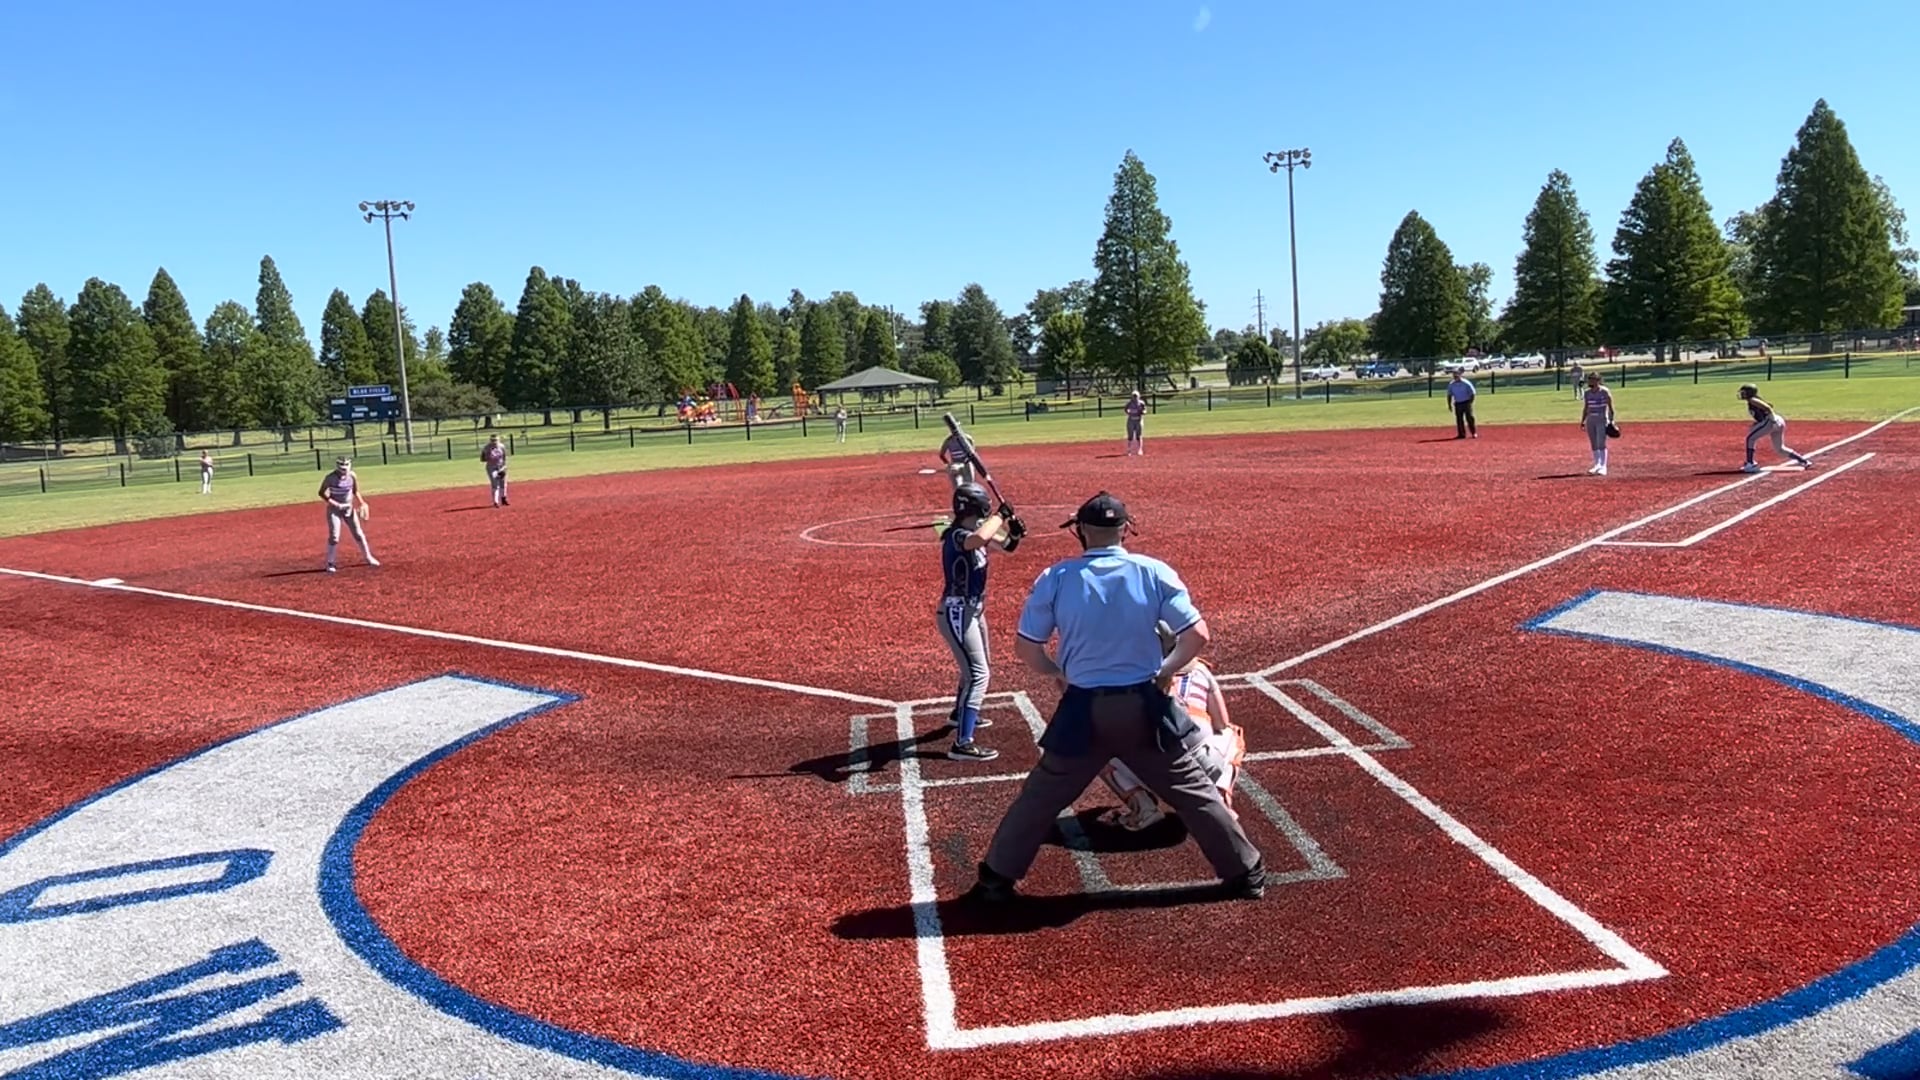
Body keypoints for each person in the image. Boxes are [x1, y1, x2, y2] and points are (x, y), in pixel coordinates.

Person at [963, 491, 1265, 903]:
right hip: (1144, 706)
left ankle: (995, 880)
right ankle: (1246, 873)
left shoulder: (1056, 577)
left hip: (1083, 709)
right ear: (1125, 529)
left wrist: (1057, 672)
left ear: (1081, 531)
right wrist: (1165, 670)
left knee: (1041, 797)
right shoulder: (1153, 571)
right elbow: (1197, 635)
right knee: (1193, 791)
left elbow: (1027, 648)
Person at [1099, 620, 1244, 831]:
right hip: (1202, 770)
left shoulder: (1128, 679)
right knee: (1233, 734)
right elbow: (1221, 722)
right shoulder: (1200, 670)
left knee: (1099, 747)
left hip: (1154, 776)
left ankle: (1142, 807)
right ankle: (1221, 800)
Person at [936, 483, 1024, 761]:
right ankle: (963, 743)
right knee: (979, 674)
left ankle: (958, 714)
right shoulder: (958, 535)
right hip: (957, 611)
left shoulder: (978, 531)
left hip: (973, 611)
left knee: (976, 665)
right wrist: (1001, 515)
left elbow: (1007, 547)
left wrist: (1014, 533)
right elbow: (977, 539)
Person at [318, 457, 378, 574]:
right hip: (334, 509)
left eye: (346, 466)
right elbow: (321, 492)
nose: (344, 469)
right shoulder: (330, 478)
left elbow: (355, 491)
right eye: (342, 466)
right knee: (334, 536)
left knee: (358, 534)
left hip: (348, 509)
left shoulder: (352, 476)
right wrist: (335, 504)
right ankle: (330, 562)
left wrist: (362, 502)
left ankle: (368, 557)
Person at [1737, 384, 1814, 472]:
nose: (1742, 394)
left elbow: (1768, 408)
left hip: (1771, 421)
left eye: (1744, 392)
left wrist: (1772, 419)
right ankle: (1804, 461)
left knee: (1750, 438)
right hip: (1777, 421)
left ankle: (1750, 463)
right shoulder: (1754, 400)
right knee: (1780, 449)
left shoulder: (1752, 400)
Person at [1581, 371, 1615, 476]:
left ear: (1598, 380)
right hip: (1591, 419)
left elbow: (1610, 408)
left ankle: (1603, 466)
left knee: (1601, 442)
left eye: (1592, 379)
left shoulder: (1604, 391)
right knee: (1594, 443)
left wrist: (1611, 421)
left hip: (1602, 419)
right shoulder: (1587, 393)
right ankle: (1597, 464)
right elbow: (1586, 407)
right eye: (1589, 379)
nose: (1590, 381)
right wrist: (1583, 420)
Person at [1447, 371, 1478, 439]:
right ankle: (1461, 434)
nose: (1455, 377)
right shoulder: (1451, 384)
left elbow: (1473, 393)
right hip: (1458, 403)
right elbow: (1449, 395)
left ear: (1460, 375)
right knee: (1459, 419)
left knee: (1469, 418)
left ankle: (1473, 433)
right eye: (1454, 376)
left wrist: (1470, 403)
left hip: (1466, 402)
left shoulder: (1466, 383)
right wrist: (1449, 404)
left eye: (1457, 376)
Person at [481, 434, 510, 507]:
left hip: (501, 466)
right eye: (492, 440)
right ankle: (495, 502)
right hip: (491, 467)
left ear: (498, 440)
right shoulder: (487, 448)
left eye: (495, 440)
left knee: (503, 483)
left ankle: (503, 499)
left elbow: (504, 457)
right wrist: (488, 456)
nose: (494, 442)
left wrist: (504, 466)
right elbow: (482, 459)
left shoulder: (501, 446)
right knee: (495, 484)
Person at [1124, 391, 1146, 456]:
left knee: (1139, 435)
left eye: (1136, 396)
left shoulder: (1141, 403)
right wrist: (1128, 412)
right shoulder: (1129, 403)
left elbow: (1144, 410)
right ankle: (1129, 450)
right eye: (1134, 396)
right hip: (1131, 420)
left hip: (1139, 420)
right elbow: (1125, 409)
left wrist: (1143, 412)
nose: (1135, 397)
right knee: (1130, 436)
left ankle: (1140, 449)